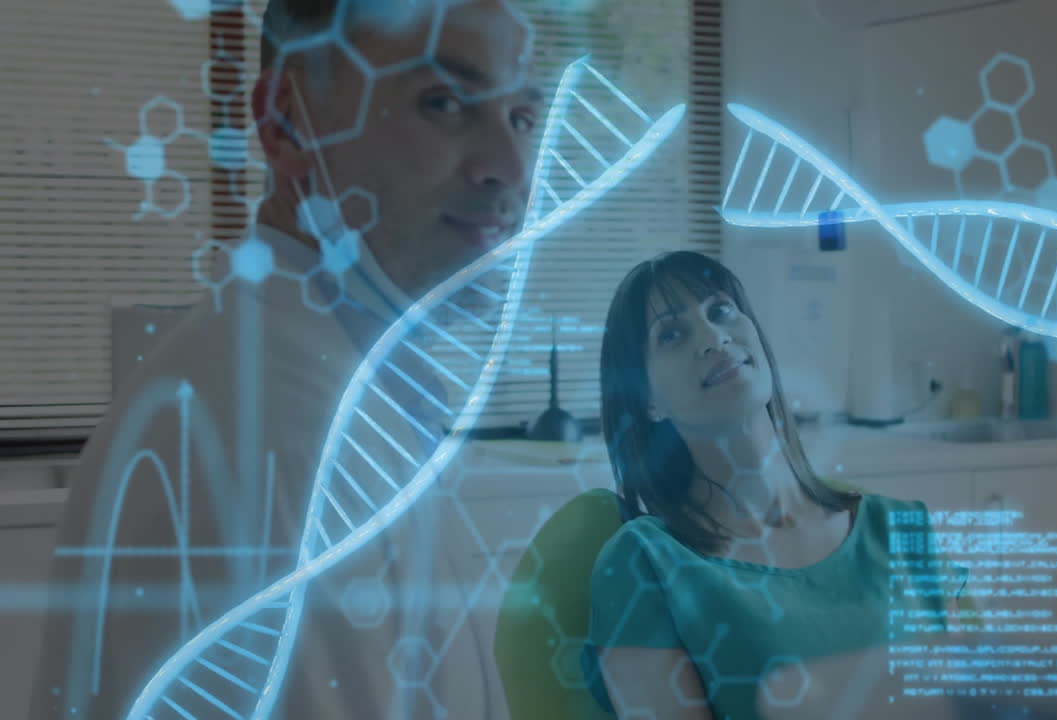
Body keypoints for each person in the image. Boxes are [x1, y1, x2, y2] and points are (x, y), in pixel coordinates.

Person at [31, 1, 543, 718]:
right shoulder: (279, 436)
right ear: (286, 122)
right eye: (445, 103)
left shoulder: (329, 386)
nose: (511, 168)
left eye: (522, 117)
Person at [581, 250, 970, 719]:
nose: (712, 336)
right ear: (647, 402)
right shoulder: (644, 565)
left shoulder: (902, 527)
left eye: (721, 311)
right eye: (673, 334)